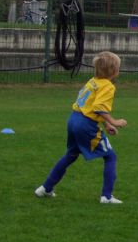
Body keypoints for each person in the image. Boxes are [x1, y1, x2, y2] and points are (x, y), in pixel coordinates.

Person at [34, 51, 128, 204]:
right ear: (115, 71)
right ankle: (107, 196)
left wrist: (106, 124)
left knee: (70, 155)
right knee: (110, 156)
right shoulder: (108, 86)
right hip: (85, 124)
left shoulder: (92, 81)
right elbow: (99, 107)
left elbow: (92, 106)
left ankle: (45, 188)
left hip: (74, 119)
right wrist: (115, 121)